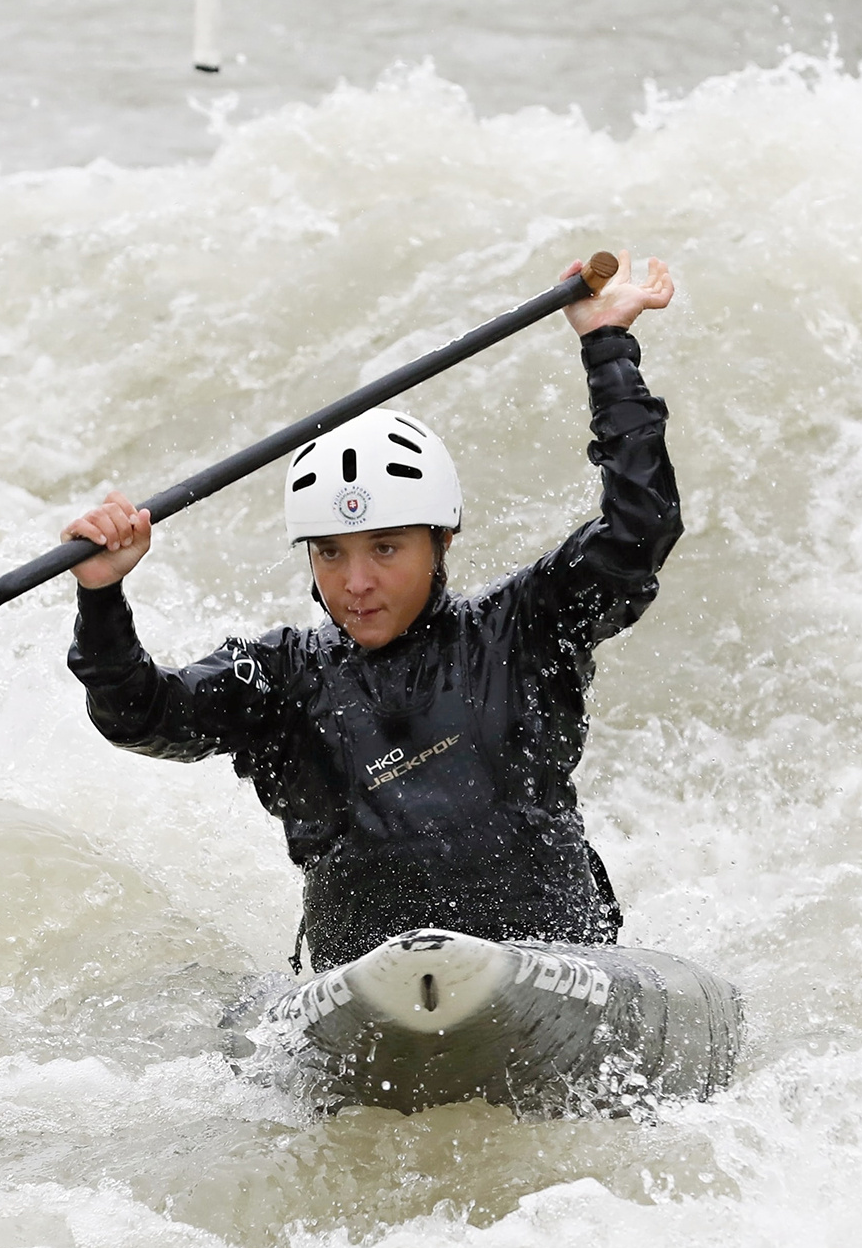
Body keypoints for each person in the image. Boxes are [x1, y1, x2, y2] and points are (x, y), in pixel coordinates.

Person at [63, 251, 680, 973]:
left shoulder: (522, 630)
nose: (355, 583)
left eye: (385, 549)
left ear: (441, 539)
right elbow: (140, 715)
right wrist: (100, 593)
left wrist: (607, 347)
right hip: (365, 991)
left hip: (552, 966)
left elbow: (639, 530)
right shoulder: (280, 678)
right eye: (330, 554)